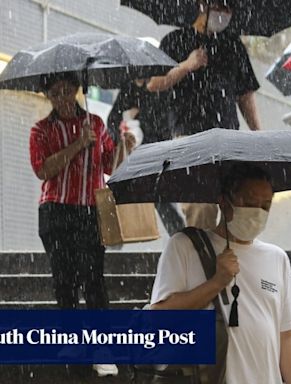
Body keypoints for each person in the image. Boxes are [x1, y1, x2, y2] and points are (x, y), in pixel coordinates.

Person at [150, 163, 291, 384]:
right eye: (249, 202)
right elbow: (158, 318)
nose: (258, 211)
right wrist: (216, 282)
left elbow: (287, 335)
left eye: (266, 205)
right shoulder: (185, 246)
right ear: (224, 200)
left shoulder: (277, 258)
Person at [29, 72, 120, 377]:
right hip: (55, 212)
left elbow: (111, 167)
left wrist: (124, 148)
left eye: (67, 91)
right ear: (47, 97)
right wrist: (79, 144)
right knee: (64, 281)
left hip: (89, 212)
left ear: (78, 90)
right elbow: (43, 170)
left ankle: (102, 348)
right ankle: (73, 348)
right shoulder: (41, 130)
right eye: (55, 94)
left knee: (94, 281)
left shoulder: (95, 123)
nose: (62, 99)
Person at [146, 0, 262, 231]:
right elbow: (154, 83)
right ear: (204, 6)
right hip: (189, 137)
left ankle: (230, 261)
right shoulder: (175, 40)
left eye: (229, 9)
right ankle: (202, 260)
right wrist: (186, 66)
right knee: (200, 207)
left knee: (237, 208)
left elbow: (245, 94)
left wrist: (258, 134)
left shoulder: (233, 45)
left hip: (229, 137)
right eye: (221, 7)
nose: (225, 14)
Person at [107, 78, 186, 236]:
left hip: (157, 153)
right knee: (154, 199)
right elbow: (112, 121)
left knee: (162, 200)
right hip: (136, 156)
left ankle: (180, 236)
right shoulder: (128, 89)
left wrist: (140, 114)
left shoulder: (160, 85)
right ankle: (179, 235)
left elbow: (165, 123)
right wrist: (126, 121)